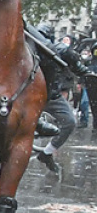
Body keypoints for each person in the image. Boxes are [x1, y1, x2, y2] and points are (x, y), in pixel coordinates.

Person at [34, 25, 90, 173]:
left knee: (70, 122)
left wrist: (78, 66)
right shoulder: (29, 45)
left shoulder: (51, 48)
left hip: (51, 94)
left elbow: (62, 51)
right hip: (29, 95)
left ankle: (46, 153)